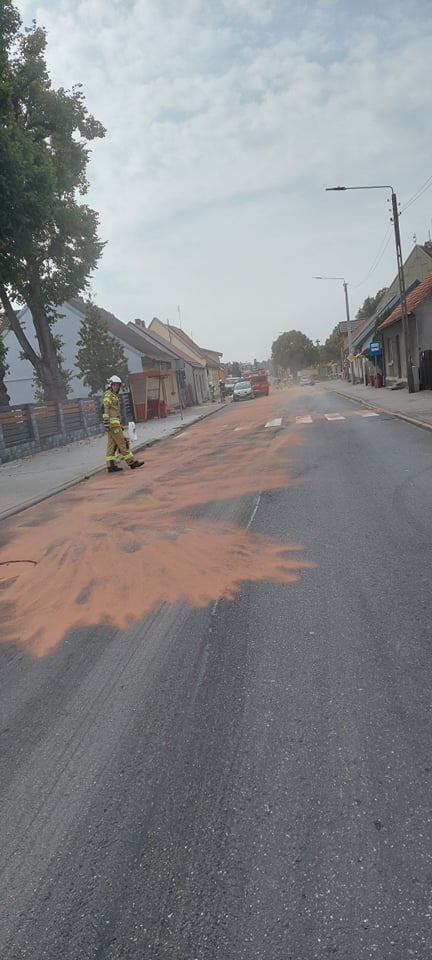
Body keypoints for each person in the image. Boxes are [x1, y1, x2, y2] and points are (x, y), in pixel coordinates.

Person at [102, 375, 144, 472]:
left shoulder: (112, 395)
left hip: (114, 424)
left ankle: (111, 465)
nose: (116, 387)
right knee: (123, 443)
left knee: (111, 445)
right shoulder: (108, 395)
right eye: (114, 385)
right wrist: (106, 422)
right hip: (113, 425)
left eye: (118, 385)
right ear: (110, 385)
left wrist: (118, 424)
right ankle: (132, 462)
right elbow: (106, 408)